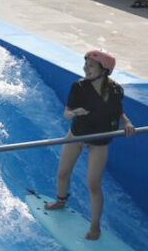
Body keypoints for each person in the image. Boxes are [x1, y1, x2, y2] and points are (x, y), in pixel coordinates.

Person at [44, 50, 136, 240]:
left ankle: (95, 227)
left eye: (91, 66)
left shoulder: (116, 90)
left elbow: (118, 111)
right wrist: (75, 112)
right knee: (63, 174)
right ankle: (61, 201)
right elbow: (66, 114)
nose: (86, 68)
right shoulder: (79, 87)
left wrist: (126, 122)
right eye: (85, 64)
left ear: (104, 70)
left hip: (99, 141)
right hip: (77, 135)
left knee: (93, 184)